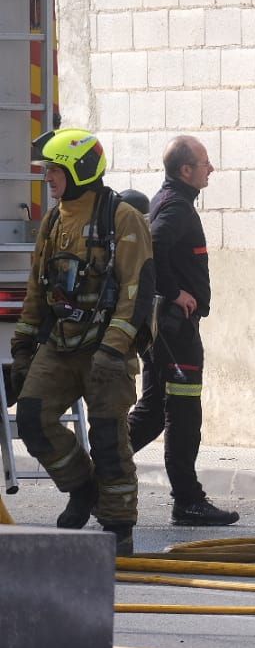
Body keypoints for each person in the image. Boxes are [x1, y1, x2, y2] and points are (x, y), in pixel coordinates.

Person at [10, 128, 153, 555]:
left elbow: (136, 291)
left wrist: (113, 349)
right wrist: (22, 346)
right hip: (61, 343)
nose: (48, 179)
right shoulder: (55, 221)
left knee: (109, 438)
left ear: (79, 169)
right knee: (34, 418)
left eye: (54, 170)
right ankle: (82, 487)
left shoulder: (122, 218)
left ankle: (118, 523)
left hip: (106, 350)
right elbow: (39, 288)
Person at [127, 135, 239, 527]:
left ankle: (99, 472)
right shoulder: (175, 207)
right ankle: (188, 501)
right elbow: (153, 246)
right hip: (175, 332)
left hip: (164, 329)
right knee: (184, 413)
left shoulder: (168, 201)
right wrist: (176, 293)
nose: (212, 169)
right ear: (185, 170)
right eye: (205, 163)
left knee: (154, 411)